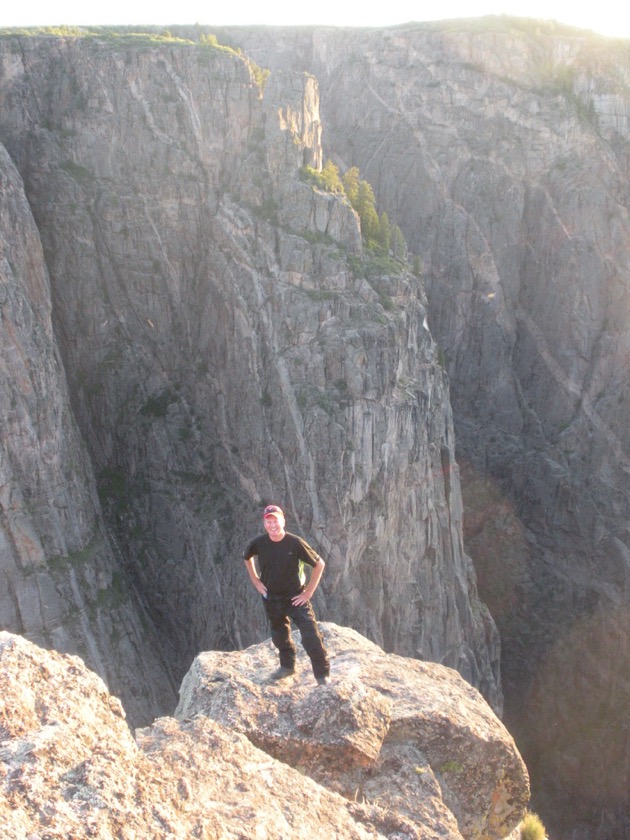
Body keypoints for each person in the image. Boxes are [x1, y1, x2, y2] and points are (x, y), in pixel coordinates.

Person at [243, 504, 330, 685]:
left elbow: (319, 564)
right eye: (268, 521)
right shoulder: (259, 543)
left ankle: (322, 675)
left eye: (275, 520)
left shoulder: (295, 543)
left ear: (283, 521)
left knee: (310, 634)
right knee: (279, 633)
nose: (272, 525)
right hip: (271, 597)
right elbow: (247, 557)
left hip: (295, 597)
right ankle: (287, 666)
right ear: (264, 523)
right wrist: (255, 581)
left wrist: (308, 593)